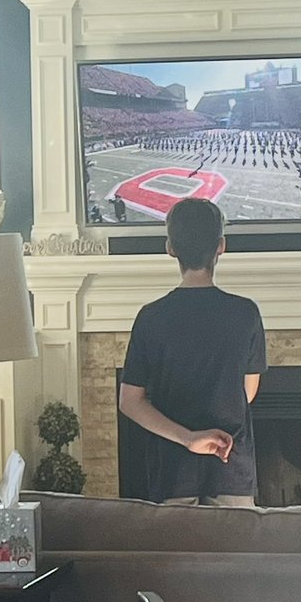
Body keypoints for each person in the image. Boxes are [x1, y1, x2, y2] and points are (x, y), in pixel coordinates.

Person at [118, 197, 266, 506]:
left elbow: (130, 402)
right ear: (221, 246)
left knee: (178, 540)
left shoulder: (151, 317)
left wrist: (188, 438)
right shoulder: (246, 313)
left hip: (173, 475)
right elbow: (247, 393)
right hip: (232, 469)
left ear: (170, 248)